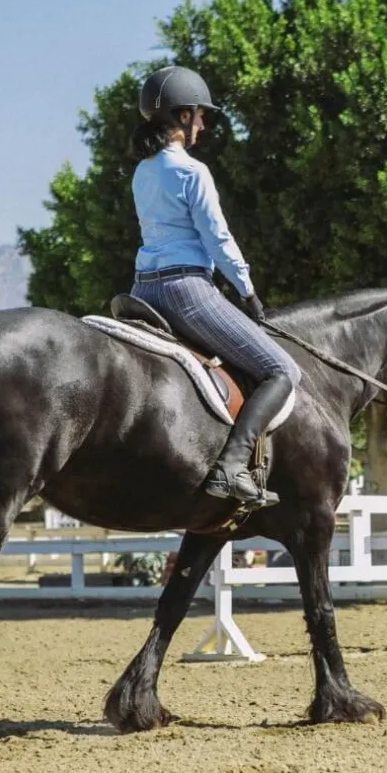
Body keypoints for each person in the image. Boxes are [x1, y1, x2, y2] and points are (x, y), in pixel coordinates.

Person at [128, 65, 300, 506]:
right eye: (200, 116)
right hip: (185, 291)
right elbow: (217, 238)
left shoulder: (143, 172)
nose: (204, 124)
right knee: (283, 370)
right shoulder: (192, 172)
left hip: (142, 290)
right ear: (182, 117)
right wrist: (246, 291)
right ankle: (230, 468)